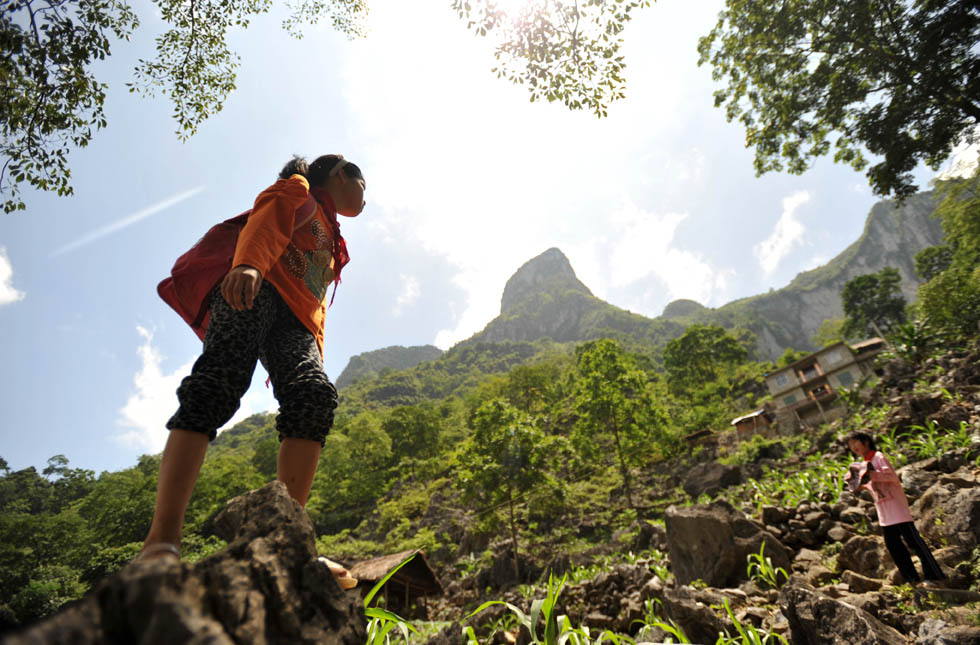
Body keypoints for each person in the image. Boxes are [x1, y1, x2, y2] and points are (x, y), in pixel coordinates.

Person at [138, 154, 365, 590]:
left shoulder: (334, 240)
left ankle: (286, 546)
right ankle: (161, 541)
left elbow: (314, 302)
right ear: (340, 174)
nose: (364, 197)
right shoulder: (299, 190)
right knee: (218, 380)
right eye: (362, 185)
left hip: (295, 326)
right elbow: (268, 219)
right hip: (255, 288)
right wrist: (249, 265)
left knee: (313, 396)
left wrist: (313, 350)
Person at [844, 431, 946, 587]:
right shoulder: (863, 463)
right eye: (850, 446)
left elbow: (891, 476)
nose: (853, 447)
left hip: (896, 507)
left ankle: (935, 575)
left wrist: (871, 474)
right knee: (894, 546)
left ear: (865, 442)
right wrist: (857, 482)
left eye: (855, 443)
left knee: (914, 542)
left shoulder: (878, 456)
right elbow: (871, 484)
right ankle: (912, 579)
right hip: (884, 511)